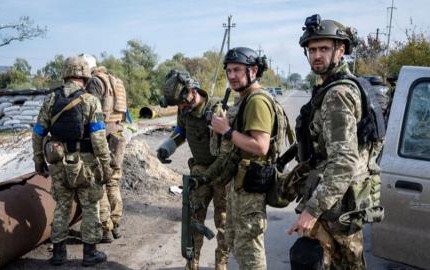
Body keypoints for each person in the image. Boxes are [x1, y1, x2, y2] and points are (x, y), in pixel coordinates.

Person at [287, 14, 383, 269]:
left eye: (324, 49)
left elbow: (344, 162)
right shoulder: (335, 87)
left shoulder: (337, 94)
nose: (317, 55)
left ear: (340, 50)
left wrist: (312, 210)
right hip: (340, 206)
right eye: (312, 49)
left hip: (335, 211)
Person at [32, 56, 112, 266]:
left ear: (66, 74)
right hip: (85, 164)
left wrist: (38, 159)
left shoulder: (50, 99)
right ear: (85, 76)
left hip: (58, 163)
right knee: (90, 206)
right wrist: (105, 166)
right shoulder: (90, 101)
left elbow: (38, 132)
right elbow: (98, 139)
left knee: (62, 206)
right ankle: (90, 254)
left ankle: (58, 254)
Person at [210, 47, 279, 270]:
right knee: (237, 244)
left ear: (253, 70)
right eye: (228, 70)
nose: (231, 76)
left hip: (251, 187)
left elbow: (260, 146)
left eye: (237, 70)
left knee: (249, 250)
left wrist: (226, 131)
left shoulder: (257, 101)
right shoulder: (244, 98)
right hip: (240, 185)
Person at [156, 70, 228, 270]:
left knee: (224, 224)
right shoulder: (184, 110)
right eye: (177, 104)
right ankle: (192, 264)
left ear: (193, 90)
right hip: (199, 172)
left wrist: (210, 174)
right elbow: (180, 132)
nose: (181, 107)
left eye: (182, 101)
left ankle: (221, 265)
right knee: (194, 221)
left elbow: (228, 151)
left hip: (221, 174)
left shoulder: (217, 109)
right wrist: (167, 147)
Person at [79, 53, 129, 243]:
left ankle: (106, 229)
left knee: (98, 181)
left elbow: (90, 112)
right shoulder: (117, 82)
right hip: (119, 135)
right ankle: (116, 224)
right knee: (113, 181)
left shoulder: (94, 82)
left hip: (103, 135)